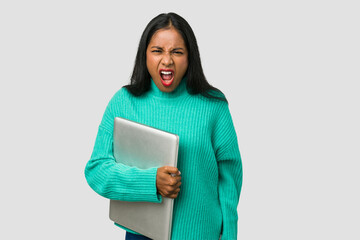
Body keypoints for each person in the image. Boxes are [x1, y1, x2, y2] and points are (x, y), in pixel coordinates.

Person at [85, 12, 243, 240]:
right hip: (141, 234)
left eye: (177, 52)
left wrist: (229, 235)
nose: (167, 60)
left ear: (190, 57)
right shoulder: (123, 102)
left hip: (201, 235)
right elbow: (96, 170)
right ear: (144, 55)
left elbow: (229, 179)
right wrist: (151, 182)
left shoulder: (213, 106)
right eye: (157, 51)